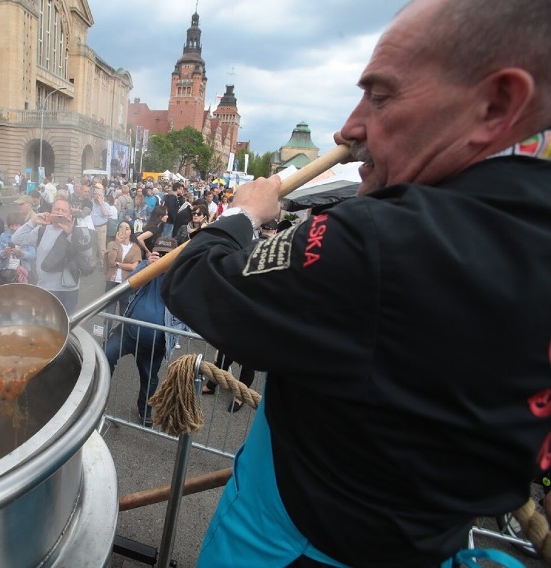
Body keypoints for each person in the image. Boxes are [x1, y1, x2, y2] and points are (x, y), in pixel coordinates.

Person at [161, 0, 551, 566]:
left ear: (497, 104)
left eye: (383, 94)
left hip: (293, 547)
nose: (350, 127)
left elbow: (198, 281)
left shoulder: (381, 240)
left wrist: (241, 216)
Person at [105, 236, 178, 427]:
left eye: (167, 255)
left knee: (149, 379)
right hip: (128, 332)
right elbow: (125, 287)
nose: (162, 258)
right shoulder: (147, 268)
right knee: (104, 356)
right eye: (159, 253)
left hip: (155, 343)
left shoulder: (180, 275)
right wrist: (146, 266)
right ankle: (98, 401)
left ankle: (145, 411)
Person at [11, 197, 93, 314]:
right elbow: (16, 239)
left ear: (70, 214)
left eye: (63, 210)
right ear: (51, 211)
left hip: (69, 290)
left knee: (67, 324)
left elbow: (87, 253)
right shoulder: (42, 231)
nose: (59, 212)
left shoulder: (78, 231)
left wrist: (70, 234)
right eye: (57, 209)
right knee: (45, 324)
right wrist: (33, 222)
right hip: (45, 288)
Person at [104, 220, 142, 315]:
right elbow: (111, 261)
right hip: (112, 280)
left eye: (127, 228)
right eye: (121, 227)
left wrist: (118, 264)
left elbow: (134, 267)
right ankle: (107, 329)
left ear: (130, 232)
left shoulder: (135, 248)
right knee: (109, 310)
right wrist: (117, 243)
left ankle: (122, 329)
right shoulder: (112, 244)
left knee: (124, 311)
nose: (124, 230)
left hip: (126, 283)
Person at [0, 211, 36, 285]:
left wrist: (21, 253)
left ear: (22, 225)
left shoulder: (28, 236)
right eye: (11, 226)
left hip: (23, 271)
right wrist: (4, 252)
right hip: (7, 271)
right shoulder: (3, 236)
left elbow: (33, 255)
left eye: (17, 225)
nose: (14, 228)